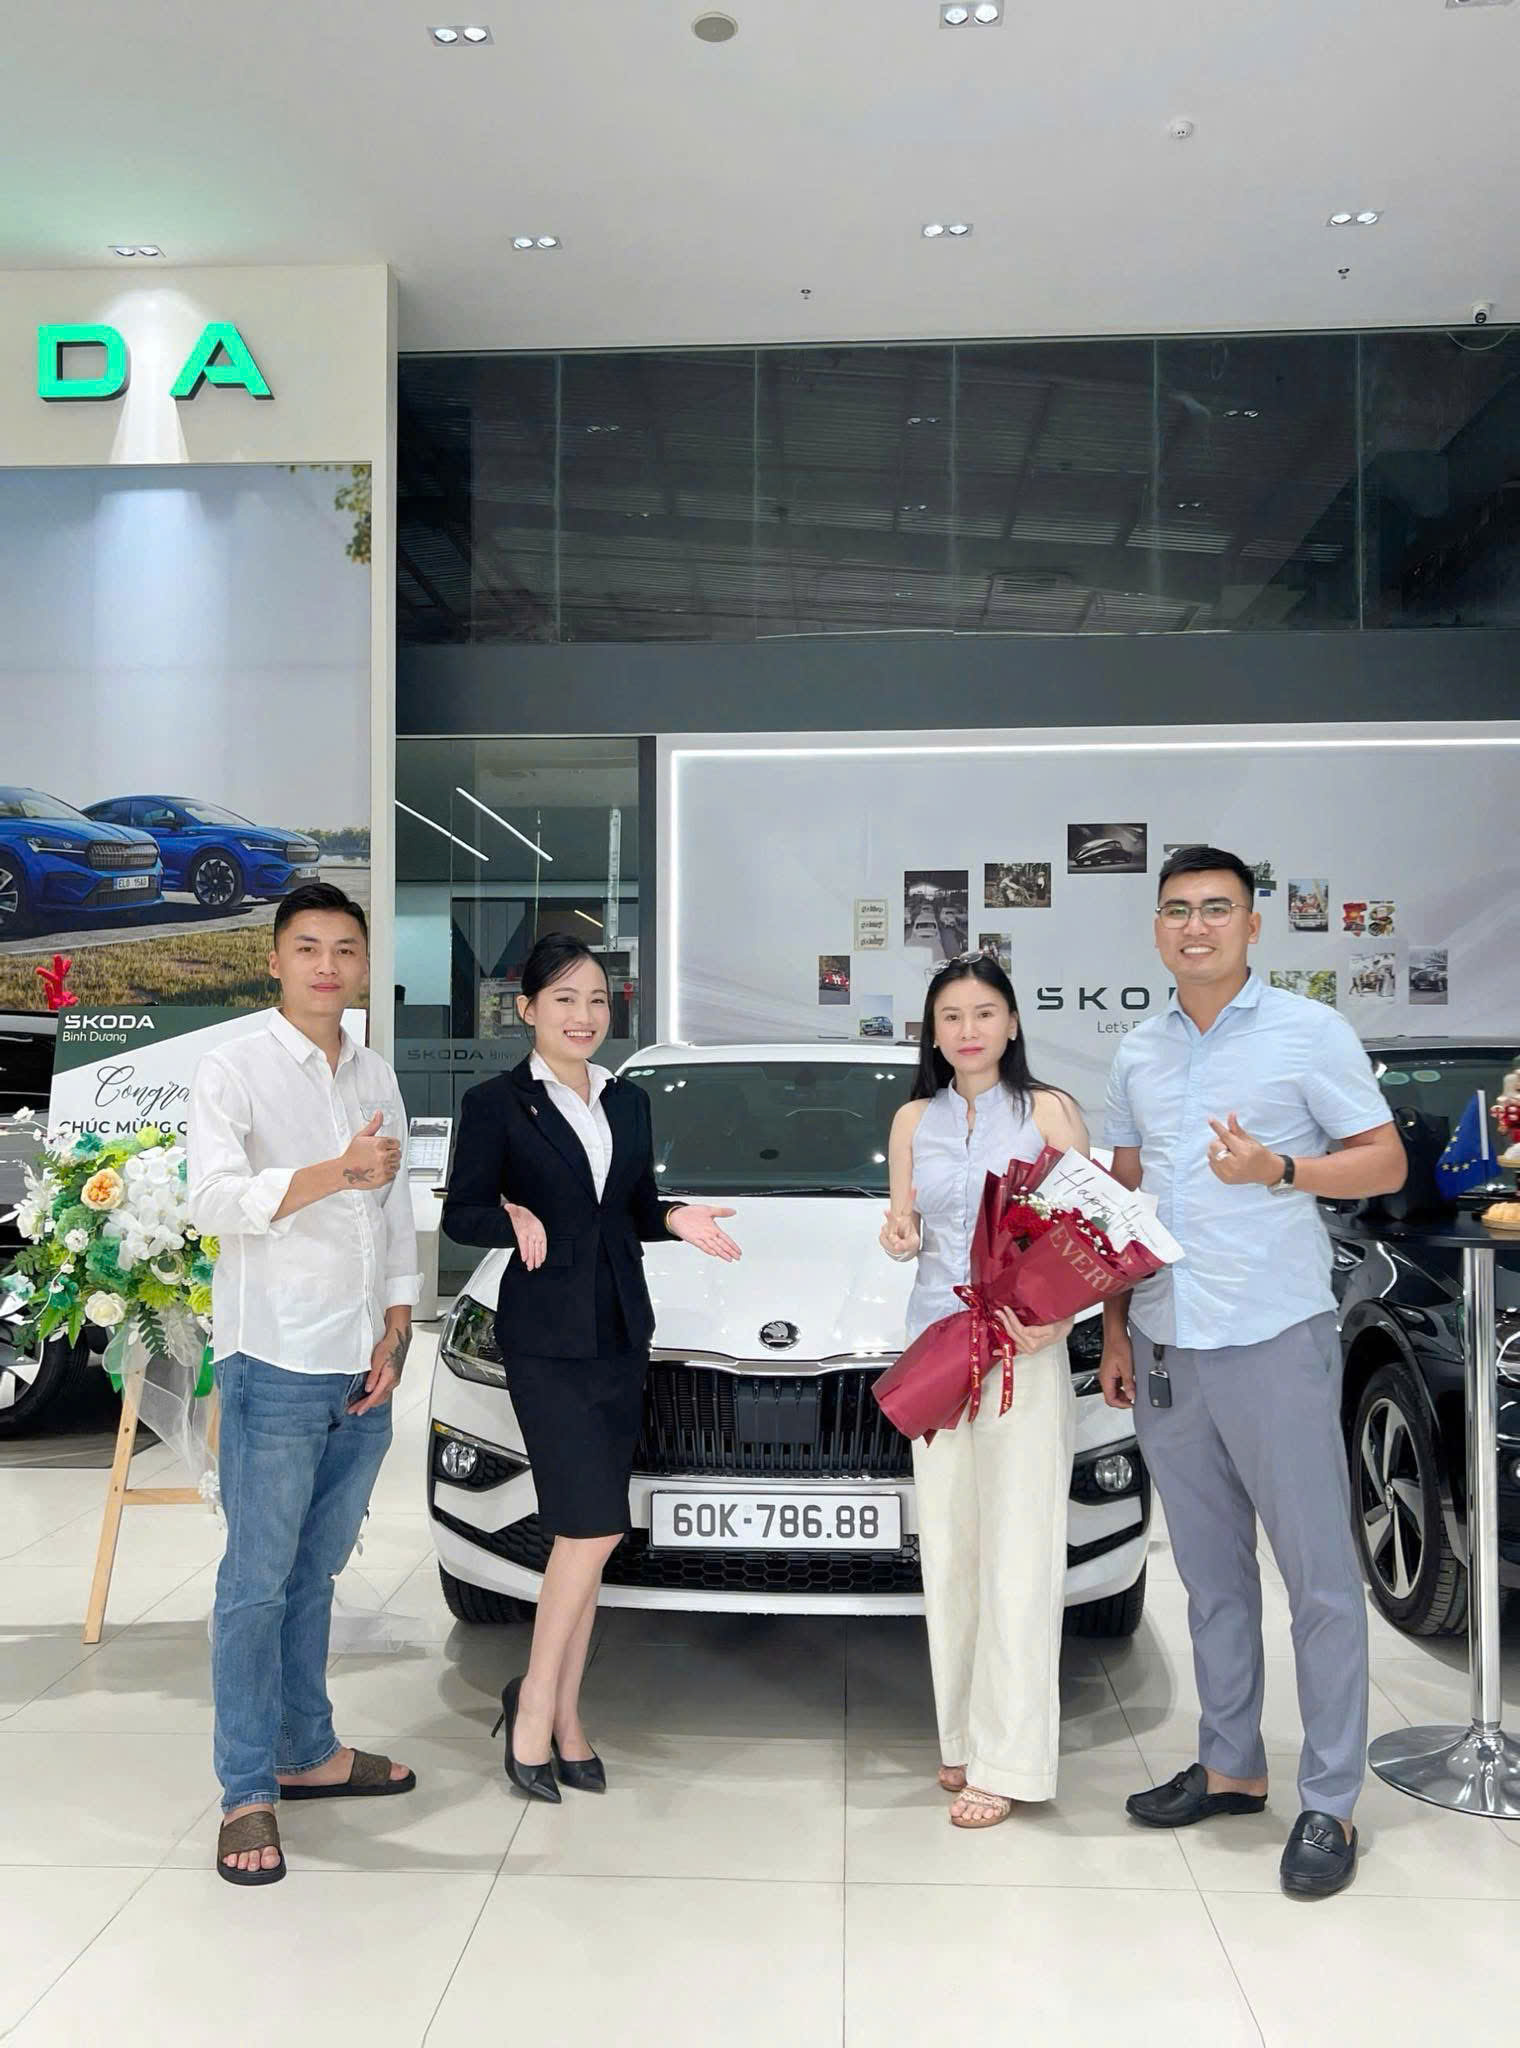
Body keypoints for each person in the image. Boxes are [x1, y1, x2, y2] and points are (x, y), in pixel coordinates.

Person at [1100, 844, 1406, 1900]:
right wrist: (1113, 1330)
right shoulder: (1138, 1049)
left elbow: (1382, 1159)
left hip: (1274, 1333)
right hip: (1166, 1339)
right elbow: (1124, 1200)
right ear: (1156, 928)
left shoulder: (1308, 1031)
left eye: (1216, 908)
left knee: (1317, 1578)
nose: (1196, 926)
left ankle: (1329, 1798)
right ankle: (1231, 1764)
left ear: (1251, 923)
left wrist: (1280, 1167)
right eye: (1177, 910)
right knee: (1210, 1576)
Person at [441, 934, 742, 1802]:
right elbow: (462, 1211)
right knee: (588, 1528)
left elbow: (631, 1204)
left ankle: (564, 1716)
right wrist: (511, 1218)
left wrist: (674, 1217)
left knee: (597, 1531)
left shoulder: (628, 1100)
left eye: (598, 1000)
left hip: (618, 1332)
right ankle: (535, 1706)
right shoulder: (496, 1103)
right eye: (565, 999)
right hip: (546, 1340)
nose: (584, 1016)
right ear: (527, 1009)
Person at [187, 882, 421, 1887]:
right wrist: (336, 1169)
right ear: (275, 960)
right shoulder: (232, 1067)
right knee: (255, 1581)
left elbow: (396, 1205)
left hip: (361, 1361)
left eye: (346, 949)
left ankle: (307, 1748)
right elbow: (210, 1201)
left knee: (314, 1574)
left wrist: (399, 1321)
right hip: (276, 1357)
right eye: (309, 947)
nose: (329, 965)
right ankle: (246, 1789)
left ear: (364, 965)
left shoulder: (375, 1069)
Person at [880, 951, 1088, 1829]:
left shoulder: (1049, 1112)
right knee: (951, 1547)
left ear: (1012, 1022)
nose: (968, 1030)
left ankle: (1010, 1760)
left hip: (1022, 1353)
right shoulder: (912, 1120)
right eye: (951, 1017)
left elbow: (1089, 1233)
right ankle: (962, 1737)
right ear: (934, 1033)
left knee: (1020, 1552)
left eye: (984, 1013)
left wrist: (1058, 1320)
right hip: (937, 1351)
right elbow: (905, 1222)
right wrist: (898, 1233)